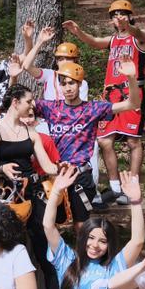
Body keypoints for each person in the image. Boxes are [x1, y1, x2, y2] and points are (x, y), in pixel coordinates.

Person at [25, 30, 141, 230]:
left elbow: (132, 103)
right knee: (49, 222)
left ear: (80, 85)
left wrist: (131, 77)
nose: (68, 87)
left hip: (81, 175)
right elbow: (21, 104)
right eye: (64, 84)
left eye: (72, 83)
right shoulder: (51, 108)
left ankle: (83, 259)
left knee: (81, 225)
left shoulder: (93, 108)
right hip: (57, 173)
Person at [62, 0, 145, 206]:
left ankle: (133, 187)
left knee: (133, 142)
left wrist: (129, 27)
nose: (118, 17)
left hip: (132, 92)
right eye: (115, 15)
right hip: (110, 96)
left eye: (123, 13)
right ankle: (115, 188)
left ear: (130, 16)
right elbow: (94, 41)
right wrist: (78, 32)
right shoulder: (113, 40)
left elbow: (142, 34)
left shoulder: (139, 39)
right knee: (104, 141)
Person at [0, 84, 60, 289]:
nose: (32, 105)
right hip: (6, 197)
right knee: (8, 249)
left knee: (44, 247)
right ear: (15, 102)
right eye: (28, 101)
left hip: (32, 192)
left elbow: (48, 166)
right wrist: (1, 169)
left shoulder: (31, 133)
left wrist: (64, 169)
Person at [20, 23, 98, 187]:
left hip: (72, 124)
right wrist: (40, 41)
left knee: (93, 145)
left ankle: (92, 190)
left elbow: (77, 110)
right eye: (60, 58)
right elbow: (26, 66)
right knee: (35, 139)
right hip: (47, 122)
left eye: (68, 58)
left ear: (76, 60)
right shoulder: (50, 75)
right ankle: (40, 183)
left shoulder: (80, 82)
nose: (63, 62)